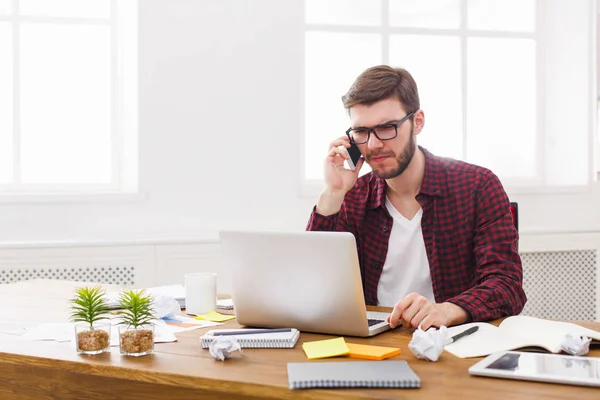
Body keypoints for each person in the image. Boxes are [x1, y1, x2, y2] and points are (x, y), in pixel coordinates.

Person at [306, 65, 526, 330]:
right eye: (362, 132)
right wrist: (333, 193)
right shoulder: (353, 196)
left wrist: (446, 311)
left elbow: (507, 285)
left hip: (450, 344)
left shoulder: (478, 186)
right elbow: (314, 289)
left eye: (387, 127)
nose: (374, 145)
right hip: (372, 347)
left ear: (417, 122)